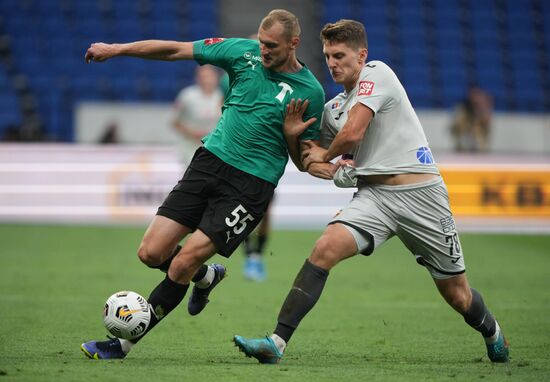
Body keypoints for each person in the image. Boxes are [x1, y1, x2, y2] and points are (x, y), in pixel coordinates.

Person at [233, 19, 509, 364]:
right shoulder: (333, 108)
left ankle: (492, 331)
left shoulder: (377, 73)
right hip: (374, 198)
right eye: (327, 56)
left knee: (457, 295)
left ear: (361, 55)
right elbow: (308, 161)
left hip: (422, 195)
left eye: (339, 55)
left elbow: (352, 134)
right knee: (324, 249)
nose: (332, 63)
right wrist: (294, 137)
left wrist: (328, 154)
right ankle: (277, 342)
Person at [80, 9, 325, 360]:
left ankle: (122, 345)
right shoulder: (242, 53)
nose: (264, 50)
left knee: (180, 265)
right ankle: (206, 277)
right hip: (208, 164)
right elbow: (174, 50)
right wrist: (116, 49)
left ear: (294, 44)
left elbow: (303, 162)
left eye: (272, 46)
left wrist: (290, 135)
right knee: (150, 253)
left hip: (250, 187)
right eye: (261, 42)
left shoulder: (310, 92)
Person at [172, 64, 223, 165]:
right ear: (197, 78)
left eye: (209, 76)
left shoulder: (222, 97)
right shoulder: (187, 96)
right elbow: (175, 122)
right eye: (203, 76)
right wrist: (193, 133)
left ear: (216, 77)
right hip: (190, 147)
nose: (206, 80)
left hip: (214, 147)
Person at [451, 85, 493, 153]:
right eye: (473, 94)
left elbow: (486, 122)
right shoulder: (464, 106)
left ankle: (481, 151)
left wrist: (484, 107)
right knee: (460, 125)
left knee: (478, 131)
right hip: (466, 127)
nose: (475, 97)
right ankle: (461, 147)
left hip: (478, 129)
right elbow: (458, 121)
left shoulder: (482, 106)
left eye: (476, 95)